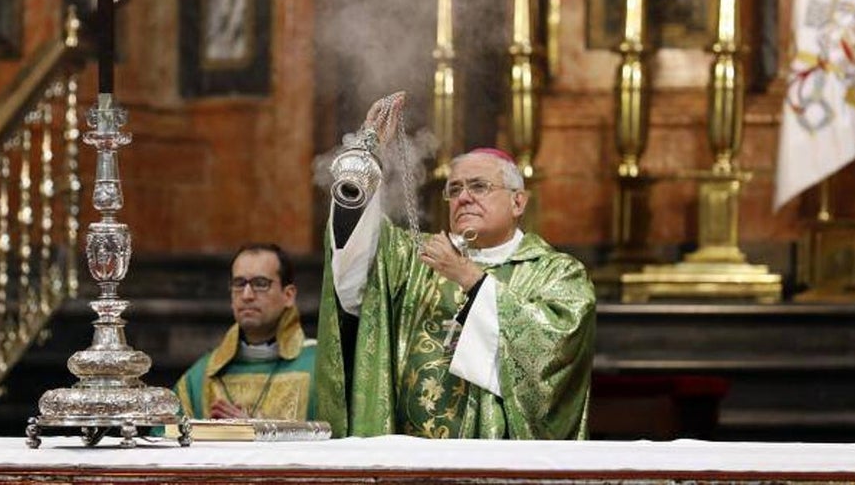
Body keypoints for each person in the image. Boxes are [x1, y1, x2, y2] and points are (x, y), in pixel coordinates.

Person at [315, 96, 596, 439]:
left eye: (479, 186)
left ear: (518, 201)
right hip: (410, 460)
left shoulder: (557, 274)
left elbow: (554, 356)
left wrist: (470, 279)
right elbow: (354, 253)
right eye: (455, 189)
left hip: (494, 465)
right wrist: (368, 146)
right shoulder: (416, 257)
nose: (464, 197)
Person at [167, 243, 318, 421]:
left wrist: (255, 431)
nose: (247, 295)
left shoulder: (318, 367)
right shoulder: (201, 377)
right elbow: (165, 437)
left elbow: (339, 440)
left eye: (261, 284)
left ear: (288, 295)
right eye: (239, 284)